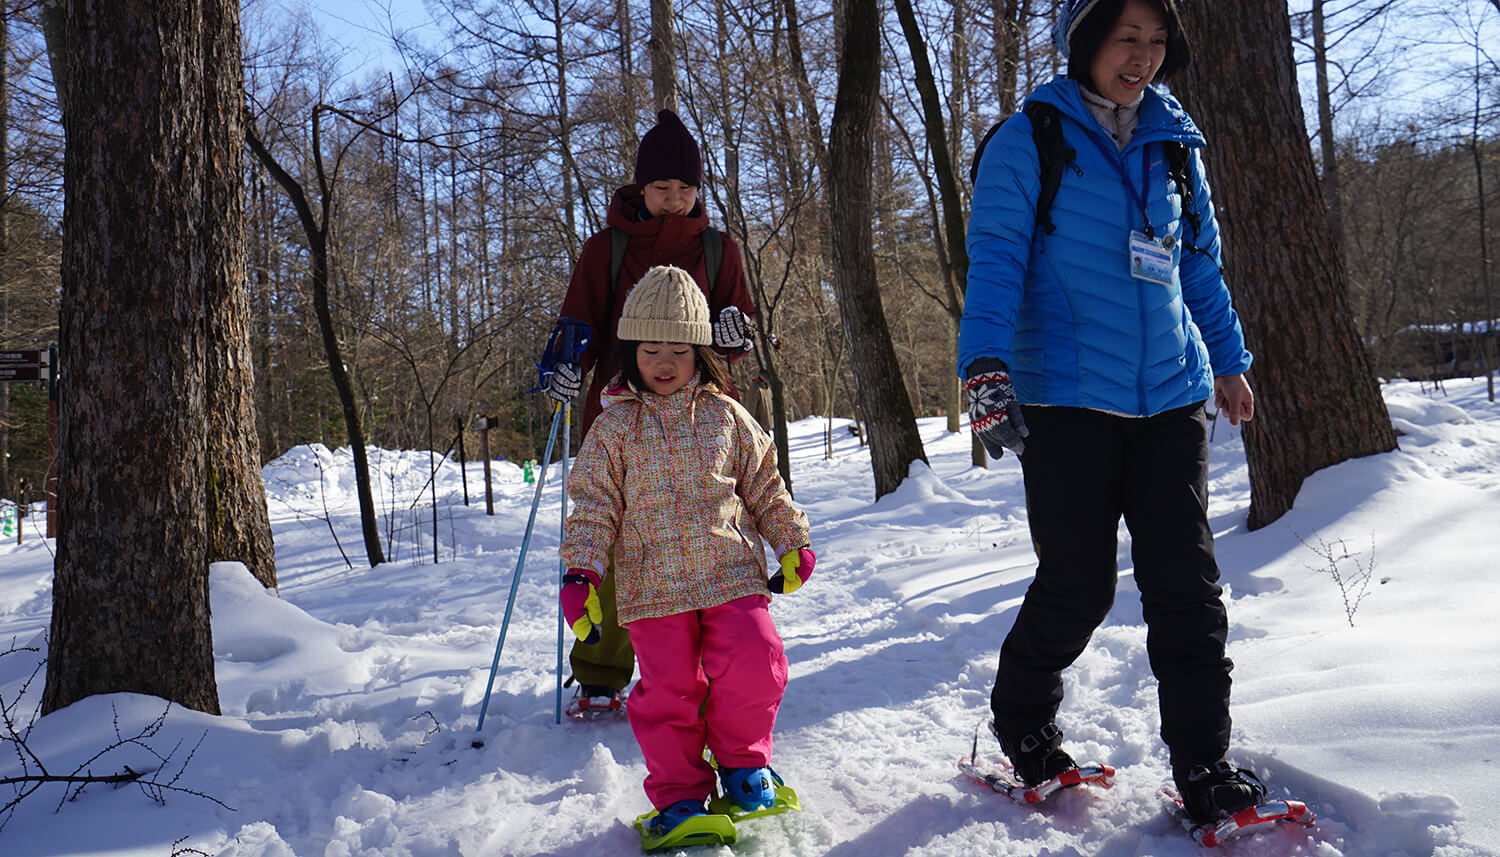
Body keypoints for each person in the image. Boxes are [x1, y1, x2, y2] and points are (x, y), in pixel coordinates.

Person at [959, 0, 1267, 827]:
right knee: (1079, 583)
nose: (1143, 57)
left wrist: (1229, 360)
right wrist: (984, 367)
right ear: (1084, 41)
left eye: (1158, 41)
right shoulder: (1030, 140)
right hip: (1067, 398)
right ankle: (1022, 723)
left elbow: (1197, 263)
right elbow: (993, 259)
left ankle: (1204, 762)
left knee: (1187, 587)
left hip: (1170, 394)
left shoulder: (1174, 145)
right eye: (1127, 37)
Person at [557, 265, 813, 837]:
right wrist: (582, 573)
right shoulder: (613, 428)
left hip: (729, 572)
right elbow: (595, 508)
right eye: (651, 350)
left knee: (757, 661)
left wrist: (792, 541)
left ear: (700, 352)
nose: (666, 363)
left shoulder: (726, 415)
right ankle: (679, 799)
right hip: (655, 587)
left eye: (679, 349)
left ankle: (745, 765)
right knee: (670, 692)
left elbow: (766, 485)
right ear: (630, 353)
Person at [538, 108, 758, 715]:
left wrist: (737, 335)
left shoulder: (719, 250)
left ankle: (703, 666)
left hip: (700, 420)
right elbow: (577, 323)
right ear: (639, 186)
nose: (674, 201)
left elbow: (733, 331)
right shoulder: (606, 249)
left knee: (703, 537)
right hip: (620, 415)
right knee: (610, 542)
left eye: (686, 189)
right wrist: (562, 363)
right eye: (662, 188)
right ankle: (602, 672)